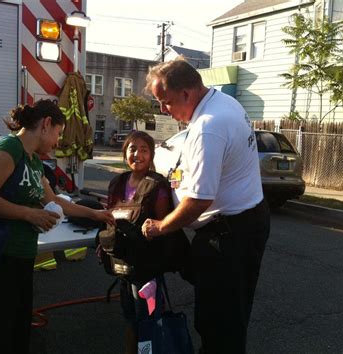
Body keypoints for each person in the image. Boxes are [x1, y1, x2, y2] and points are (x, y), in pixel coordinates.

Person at [0, 99, 115, 354]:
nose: (57, 142)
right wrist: (29, 214)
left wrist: (96, 214)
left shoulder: (33, 161)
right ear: (46, 124)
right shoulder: (8, 148)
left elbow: (55, 200)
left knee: (17, 330)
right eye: (58, 133)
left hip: (22, 256)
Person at [141, 60, 270, 354]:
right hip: (244, 223)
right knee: (232, 315)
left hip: (228, 235)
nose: (164, 110)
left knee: (219, 324)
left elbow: (200, 200)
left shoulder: (208, 127)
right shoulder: (225, 102)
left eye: (166, 102)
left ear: (187, 93)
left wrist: (161, 227)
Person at [105, 131, 172, 354]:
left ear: (151, 155)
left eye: (144, 150)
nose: (137, 154)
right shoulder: (118, 182)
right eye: (133, 149)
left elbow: (163, 225)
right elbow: (109, 217)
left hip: (147, 270)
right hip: (123, 264)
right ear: (125, 153)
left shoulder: (158, 185)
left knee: (148, 320)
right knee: (130, 318)